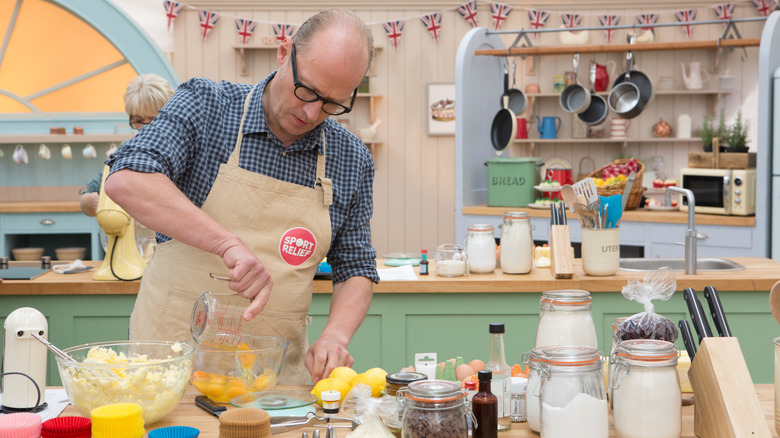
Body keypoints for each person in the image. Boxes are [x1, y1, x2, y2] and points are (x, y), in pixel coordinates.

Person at [104, 10, 379, 384]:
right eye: (307, 90)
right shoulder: (206, 107)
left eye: (333, 103)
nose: (312, 111)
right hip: (168, 374)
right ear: (284, 53)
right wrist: (226, 243)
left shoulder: (351, 158)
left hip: (273, 383)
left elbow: (356, 266)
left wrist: (335, 335)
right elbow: (128, 179)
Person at [79, 73, 175, 216]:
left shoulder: (182, 148)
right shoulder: (126, 150)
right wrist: (91, 201)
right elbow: (86, 198)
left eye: (153, 119)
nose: (145, 128)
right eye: (138, 120)